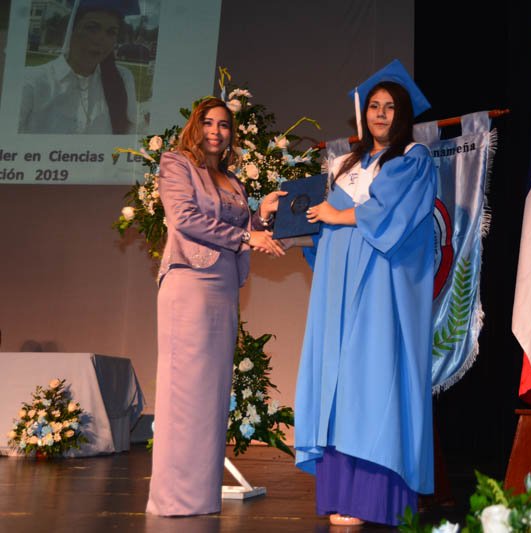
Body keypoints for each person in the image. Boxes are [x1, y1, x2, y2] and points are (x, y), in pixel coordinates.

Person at [289, 59, 438, 527]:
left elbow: (389, 213)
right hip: (336, 292)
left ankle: (372, 499)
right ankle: (341, 493)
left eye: (389, 107)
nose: (379, 114)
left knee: (371, 384)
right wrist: (287, 222)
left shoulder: (413, 158)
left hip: (380, 291)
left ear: (403, 114)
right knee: (338, 387)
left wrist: (337, 216)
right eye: (373, 106)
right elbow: (321, 223)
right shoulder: (348, 165)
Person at [146, 97, 285, 516]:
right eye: (208, 122)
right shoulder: (176, 164)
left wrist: (261, 217)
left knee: (211, 394)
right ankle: (173, 499)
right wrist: (246, 236)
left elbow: (244, 231)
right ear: (195, 125)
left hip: (224, 287)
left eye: (224, 125)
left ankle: (200, 497)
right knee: (184, 390)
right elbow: (185, 218)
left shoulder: (232, 181)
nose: (216, 131)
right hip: (189, 282)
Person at [18, 0, 141, 134]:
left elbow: (133, 132)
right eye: (92, 28)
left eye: (111, 32)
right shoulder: (31, 82)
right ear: (70, 30)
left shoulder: (122, 78)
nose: (101, 39)